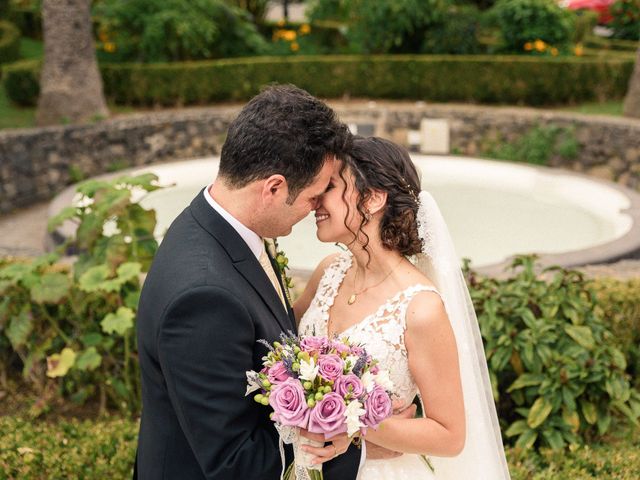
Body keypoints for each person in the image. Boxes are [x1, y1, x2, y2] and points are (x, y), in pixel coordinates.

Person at [134, 85, 362, 480]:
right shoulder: (204, 299)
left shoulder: (212, 222)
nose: (315, 208)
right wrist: (360, 445)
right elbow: (236, 464)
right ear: (273, 188)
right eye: (312, 196)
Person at [295, 136, 511, 479]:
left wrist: (358, 427)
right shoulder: (328, 272)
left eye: (332, 187)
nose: (317, 198)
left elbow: (450, 435)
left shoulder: (420, 308)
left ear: (373, 199)